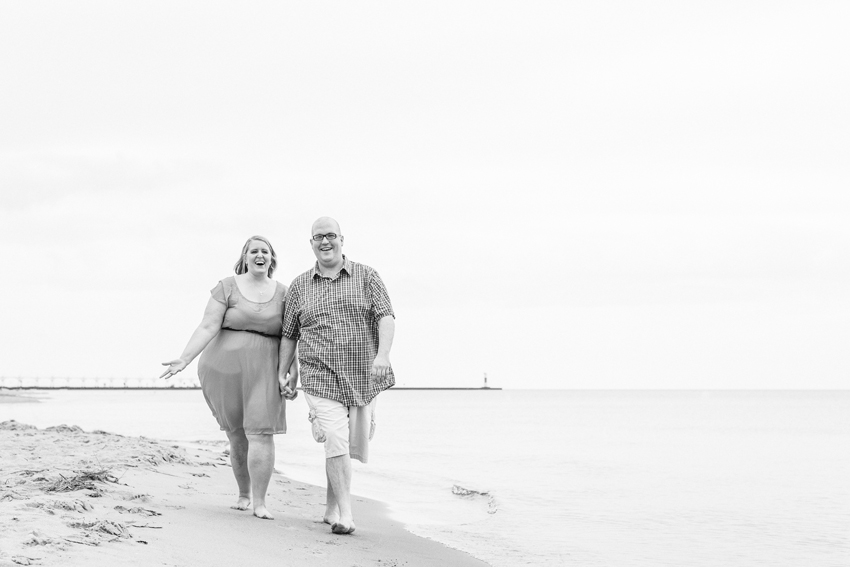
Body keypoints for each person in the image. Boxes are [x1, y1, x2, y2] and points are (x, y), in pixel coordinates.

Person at [160, 235, 296, 520]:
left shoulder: (286, 293)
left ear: (272, 259)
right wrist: (184, 358)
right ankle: (243, 494)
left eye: (265, 252)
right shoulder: (227, 287)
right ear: (244, 258)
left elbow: (290, 336)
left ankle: (260, 502)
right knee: (237, 436)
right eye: (254, 252)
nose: (260, 256)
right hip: (223, 369)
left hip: (266, 370)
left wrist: (289, 371)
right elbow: (208, 326)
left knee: (262, 433)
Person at [278, 217, 395, 535]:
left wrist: (382, 355)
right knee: (335, 438)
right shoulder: (300, 285)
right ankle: (346, 514)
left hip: (361, 376)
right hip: (319, 375)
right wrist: (283, 373)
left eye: (331, 235)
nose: (325, 241)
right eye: (318, 237)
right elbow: (289, 334)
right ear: (311, 243)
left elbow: (386, 316)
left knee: (344, 443)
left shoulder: (367, 275)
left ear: (342, 239)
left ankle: (331, 507)